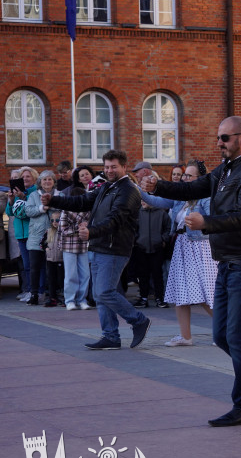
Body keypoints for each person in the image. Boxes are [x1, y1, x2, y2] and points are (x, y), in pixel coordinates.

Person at [141, 117, 241, 427]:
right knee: (222, 336)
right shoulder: (225, 168)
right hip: (227, 260)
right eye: (219, 137)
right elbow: (194, 187)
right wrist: (159, 184)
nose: (219, 143)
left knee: (238, 337)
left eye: (225, 138)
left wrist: (206, 224)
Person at [45, 150, 151, 351]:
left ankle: (139, 321)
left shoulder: (128, 190)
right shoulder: (105, 187)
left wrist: (91, 232)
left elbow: (115, 219)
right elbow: (81, 201)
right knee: (100, 294)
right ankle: (110, 336)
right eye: (106, 167)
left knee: (104, 292)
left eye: (114, 167)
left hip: (114, 249)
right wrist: (54, 201)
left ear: (124, 167)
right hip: (98, 247)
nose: (109, 170)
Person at [141, 161, 218, 347]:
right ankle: (186, 336)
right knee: (180, 293)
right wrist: (138, 189)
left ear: (200, 179)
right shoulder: (180, 196)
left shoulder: (206, 197)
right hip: (182, 245)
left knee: (207, 295)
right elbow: (156, 201)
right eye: (184, 176)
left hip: (201, 247)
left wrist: (202, 222)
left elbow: (214, 221)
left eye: (189, 176)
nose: (185, 179)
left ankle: (224, 333)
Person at [20, 170, 57, 305]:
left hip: (53, 235)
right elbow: (28, 211)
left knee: (51, 267)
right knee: (34, 266)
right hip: (36, 235)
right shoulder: (34, 195)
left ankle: (53, 295)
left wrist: (53, 207)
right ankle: (34, 294)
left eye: (50, 179)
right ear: (40, 182)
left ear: (54, 181)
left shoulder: (60, 195)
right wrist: (42, 208)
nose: (47, 182)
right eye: (44, 180)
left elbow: (64, 211)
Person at [59, 169, 93, 310]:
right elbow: (64, 229)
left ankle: (82, 299)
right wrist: (80, 229)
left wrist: (87, 227)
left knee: (85, 274)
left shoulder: (88, 211)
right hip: (69, 246)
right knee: (71, 274)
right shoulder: (65, 211)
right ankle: (69, 300)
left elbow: (92, 226)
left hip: (84, 246)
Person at [132, 199, 172, 309]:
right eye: (141, 200)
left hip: (157, 248)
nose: (142, 202)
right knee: (142, 274)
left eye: (145, 200)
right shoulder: (137, 213)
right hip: (141, 248)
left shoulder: (161, 213)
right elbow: (133, 228)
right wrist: (137, 240)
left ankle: (160, 298)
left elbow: (168, 228)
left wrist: (163, 240)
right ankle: (143, 298)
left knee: (157, 274)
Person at [7, 167, 38, 301]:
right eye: (23, 177)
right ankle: (28, 290)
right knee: (26, 265)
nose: (25, 179)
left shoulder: (35, 192)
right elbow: (10, 212)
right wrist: (11, 200)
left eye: (28, 176)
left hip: (32, 232)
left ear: (34, 179)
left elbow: (29, 211)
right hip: (20, 234)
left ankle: (36, 291)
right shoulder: (18, 192)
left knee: (34, 265)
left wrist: (23, 197)